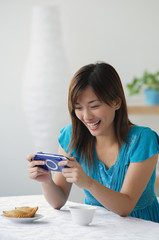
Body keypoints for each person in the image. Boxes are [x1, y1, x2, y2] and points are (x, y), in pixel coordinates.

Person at [27, 62, 159, 222]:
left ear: (116, 102)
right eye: (78, 108)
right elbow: (58, 201)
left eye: (94, 106)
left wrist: (88, 182)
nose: (86, 116)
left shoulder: (143, 140)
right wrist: (46, 180)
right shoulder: (72, 135)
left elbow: (126, 206)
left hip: (142, 226)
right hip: (95, 223)